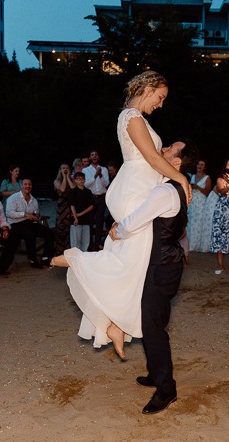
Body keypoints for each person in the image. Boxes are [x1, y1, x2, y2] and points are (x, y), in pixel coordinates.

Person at [51, 70, 191, 360]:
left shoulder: (137, 119)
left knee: (137, 261)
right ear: (148, 88)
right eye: (161, 97)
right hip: (134, 188)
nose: (162, 104)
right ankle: (79, 259)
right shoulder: (132, 117)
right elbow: (152, 159)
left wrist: (175, 149)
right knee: (134, 256)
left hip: (137, 186)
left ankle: (113, 324)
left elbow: (155, 156)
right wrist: (182, 179)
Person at [108, 139, 198, 415]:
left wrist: (116, 232)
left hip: (162, 267)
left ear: (177, 162)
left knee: (153, 327)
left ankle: (166, 389)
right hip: (166, 264)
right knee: (153, 320)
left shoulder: (165, 192)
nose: (164, 147)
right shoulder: (174, 188)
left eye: (170, 148)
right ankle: (154, 373)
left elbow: (136, 222)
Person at [6, 178, 55, 268]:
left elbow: (35, 215)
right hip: (15, 224)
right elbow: (9, 213)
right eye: (25, 184)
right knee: (30, 235)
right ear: (21, 186)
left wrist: (37, 216)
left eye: (29, 184)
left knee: (50, 233)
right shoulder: (13, 198)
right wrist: (24, 214)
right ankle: (33, 260)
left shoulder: (34, 200)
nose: (27, 186)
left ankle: (45, 258)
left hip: (29, 223)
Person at [83, 150, 110, 250]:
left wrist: (101, 175)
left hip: (101, 197)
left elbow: (106, 184)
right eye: (92, 155)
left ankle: (97, 244)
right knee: (89, 222)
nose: (94, 157)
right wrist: (95, 176)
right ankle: (89, 244)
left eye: (96, 155)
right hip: (91, 198)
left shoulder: (104, 169)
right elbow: (86, 185)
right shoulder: (86, 170)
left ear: (98, 157)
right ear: (90, 158)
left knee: (99, 222)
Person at [186, 159, 213, 252]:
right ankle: (190, 244)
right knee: (191, 222)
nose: (200, 166)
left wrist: (197, 187)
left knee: (199, 223)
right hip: (193, 202)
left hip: (201, 203)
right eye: (198, 164)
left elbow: (208, 192)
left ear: (204, 167)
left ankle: (197, 244)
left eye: (202, 164)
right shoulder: (192, 176)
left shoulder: (207, 178)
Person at [69, 173, 94, 251]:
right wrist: (76, 217)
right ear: (75, 180)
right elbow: (72, 205)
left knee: (86, 241)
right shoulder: (73, 191)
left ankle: (84, 259)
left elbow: (91, 206)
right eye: (78, 179)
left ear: (85, 180)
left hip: (86, 219)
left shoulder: (88, 192)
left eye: (82, 178)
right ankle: (75, 259)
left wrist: (80, 214)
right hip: (75, 220)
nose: (81, 180)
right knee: (75, 241)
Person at [53, 163, 75, 255]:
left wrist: (68, 177)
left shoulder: (72, 180)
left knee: (69, 229)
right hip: (61, 207)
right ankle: (59, 251)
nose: (65, 169)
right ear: (60, 170)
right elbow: (62, 189)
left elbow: (74, 189)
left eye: (67, 168)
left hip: (70, 205)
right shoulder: (56, 181)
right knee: (61, 227)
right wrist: (64, 178)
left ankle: (68, 251)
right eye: (63, 168)